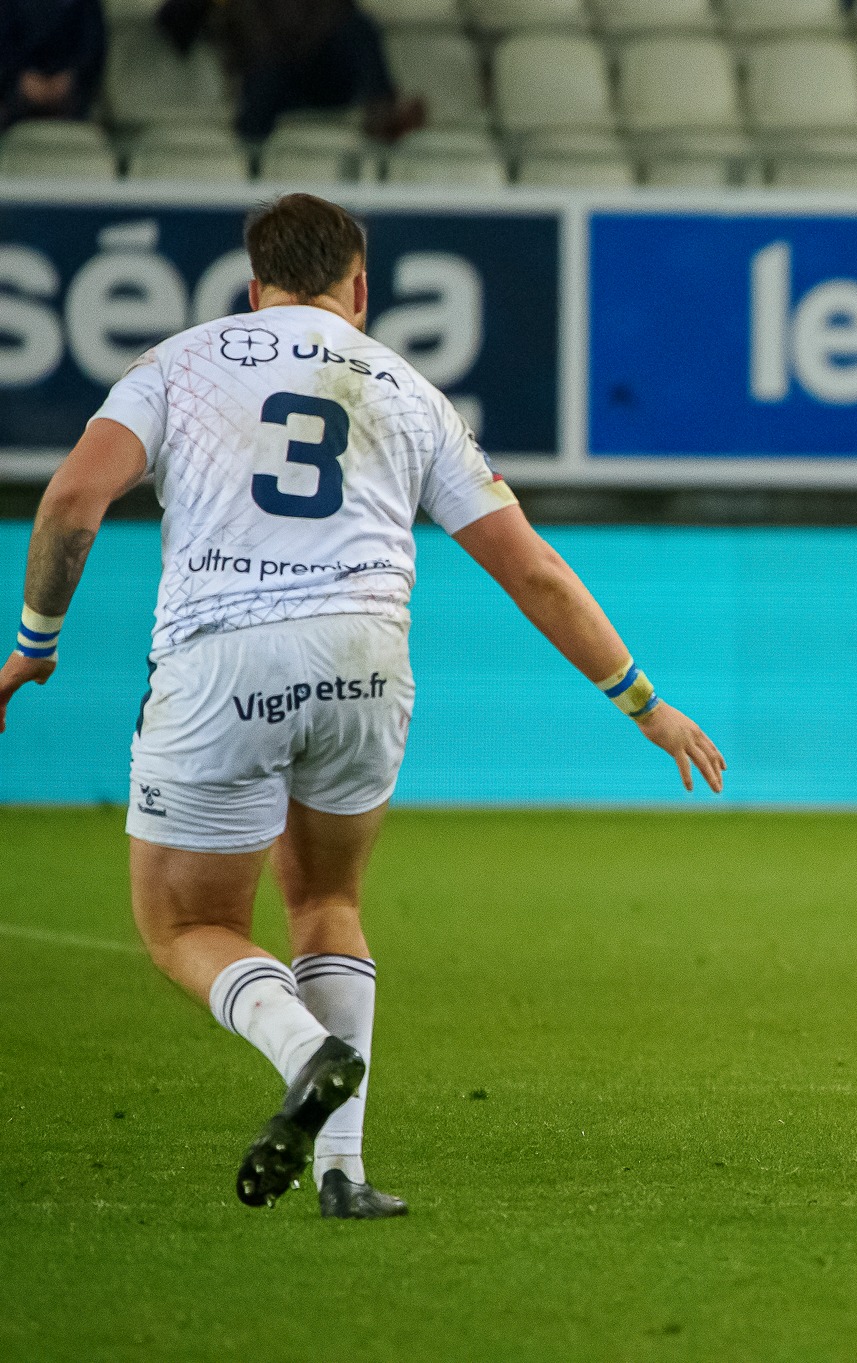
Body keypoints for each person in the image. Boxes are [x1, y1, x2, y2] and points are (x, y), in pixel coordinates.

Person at [0, 194, 725, 1218]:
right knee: (327, 902)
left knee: (188, 922)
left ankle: (303, 1049)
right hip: (366, 663)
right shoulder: (409, 390)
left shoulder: (176, 364)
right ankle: (342, 1172)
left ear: (254, 287)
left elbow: (72, 502)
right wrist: (645, 705)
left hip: (223, 659)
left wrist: (35, 644)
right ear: (360, 289)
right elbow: (534, 571)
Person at [157, 0, 425, 143]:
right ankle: (249, 176)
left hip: (325, 70)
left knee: (359, 29)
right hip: (268, 73)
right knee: (263, 86)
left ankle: (384, 115)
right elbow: (173, 20)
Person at [0, 0, 106, 131]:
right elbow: (5, 42)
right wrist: (23, 79)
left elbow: (92, 46)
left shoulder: (86, 5)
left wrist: (67, 78)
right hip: (19, 95)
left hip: (71, 92)